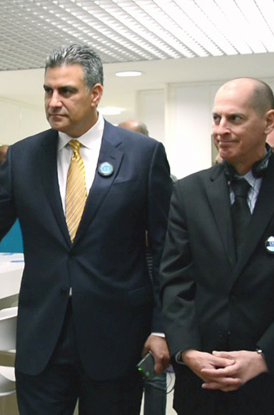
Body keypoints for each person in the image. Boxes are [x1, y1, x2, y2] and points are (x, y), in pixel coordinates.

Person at [0, 44, 173, 415]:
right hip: (44, 338)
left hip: (116, 338)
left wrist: (162, 327)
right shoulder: (25, 157)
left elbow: (168, 248)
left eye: (66, 91)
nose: (53, 101)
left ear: (95, 95)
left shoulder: (143, 155)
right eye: (48, 90)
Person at [160, 77, 274, 414]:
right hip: (203, 380)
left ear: (268, 122)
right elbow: (175, 281)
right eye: (216, 118)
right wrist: (186, 351)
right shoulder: (188, 193)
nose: (220, 129)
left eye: (235, 119)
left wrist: (264, 357)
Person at [118, 119, 168, 415]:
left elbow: (165, 238)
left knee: (154, 367)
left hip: (153, 274)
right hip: (124, 284)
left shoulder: (162, 177)